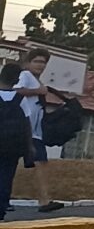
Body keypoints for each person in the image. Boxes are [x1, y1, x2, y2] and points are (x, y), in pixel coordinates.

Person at [13, 45, 63, 213]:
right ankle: (44, 199)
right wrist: (38, 91)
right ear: (28, 62)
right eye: (36, 61)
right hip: (24, 128)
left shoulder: (36, 79)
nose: (40, 65)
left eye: (43, 62)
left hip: (35, 131)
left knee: (41, 163)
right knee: (37, 162)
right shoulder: (25, 75)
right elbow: (16, 90)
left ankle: (44, 199)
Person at [0, 61, 34, 223]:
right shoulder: (20, 99)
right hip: (12, 147)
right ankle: (1, 208)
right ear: (16, 80)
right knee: (6, 177)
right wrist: (29, 147)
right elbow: (27, 125)